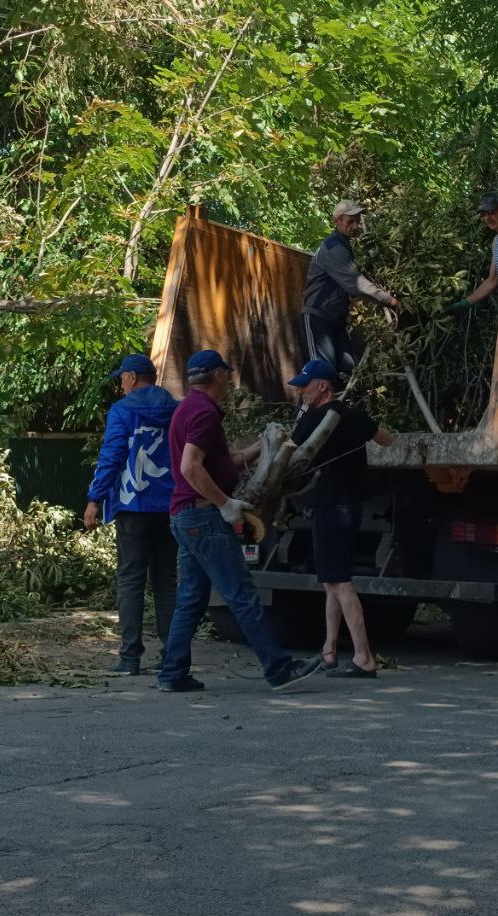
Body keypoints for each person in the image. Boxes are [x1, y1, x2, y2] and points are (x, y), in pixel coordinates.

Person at [157, 349, 322, 694]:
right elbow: (191, 466)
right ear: (217, 376)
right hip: (203, 516)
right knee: (243, 594)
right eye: (226, 376)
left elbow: (223, 462)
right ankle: (278, 669)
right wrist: (226, 503)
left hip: (185, 516)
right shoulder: (203, 412)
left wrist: (262, 446)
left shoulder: (188, 408)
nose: (229, 383)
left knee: (191, 598)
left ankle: (172, 672)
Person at [288, 358, 393, 678]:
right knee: (331, 581)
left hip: (330, 506)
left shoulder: (316, 418)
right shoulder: (354, 414)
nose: (302, 391)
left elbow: (289, 450)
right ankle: (329, 651)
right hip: (350, 507)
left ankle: (363, 657)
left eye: (306, 386)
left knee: (341, 583)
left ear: (324, 386)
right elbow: (387, 440)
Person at [84, 354, 180, 675]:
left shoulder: (122, 411)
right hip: (170, 507)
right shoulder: (176, 409)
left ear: (133, 378)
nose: (120, 385)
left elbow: (112, 456)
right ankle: (171, 655)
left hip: (133, 506)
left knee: (130, 579)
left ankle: (129, 658)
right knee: (166, 582)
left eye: (121, 379)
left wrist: (94, 500)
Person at [301, 199, 400, 374]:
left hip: (335, 321)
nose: (355, 226)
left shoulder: (343, 246)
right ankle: (309, 403)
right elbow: (356, 284)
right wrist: (389, 300)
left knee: (347, 368)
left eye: (357, 221)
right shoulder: (333, 247)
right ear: (336, 221)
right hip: (318, 318)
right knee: (320, 375)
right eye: (350, 221)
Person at [447, 190, 498, 314]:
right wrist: (466, 303)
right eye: (483, 214)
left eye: (491, 211)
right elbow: (493, 280)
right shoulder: (496, 241)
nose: (487, 218)